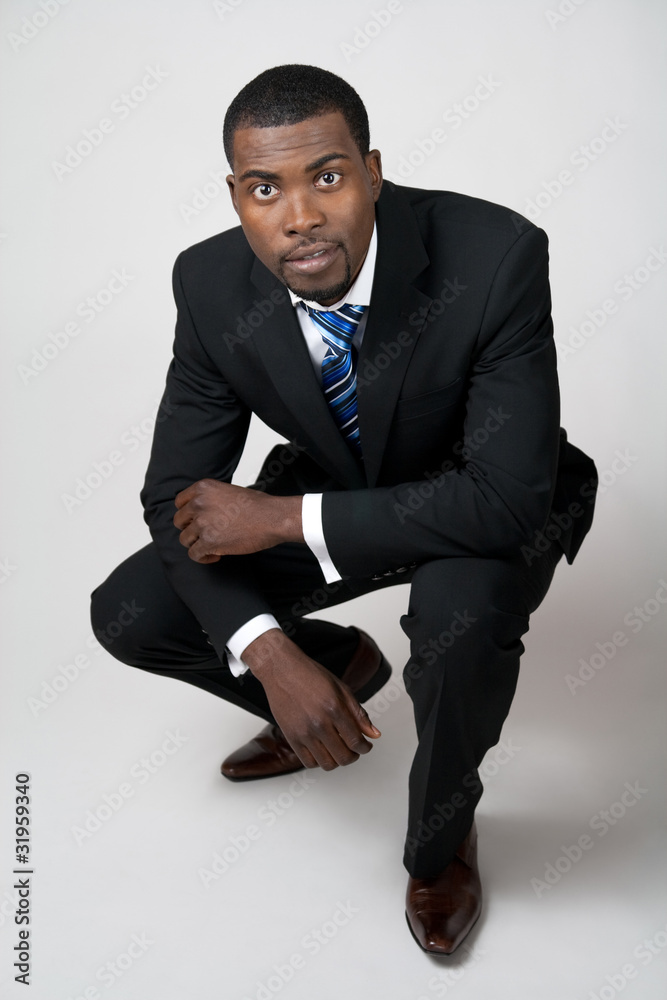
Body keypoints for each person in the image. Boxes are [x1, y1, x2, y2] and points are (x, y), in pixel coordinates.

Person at [90, 64, 597, 954]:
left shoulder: (494, 255)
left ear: (371, 171)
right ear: (235, 196)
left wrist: (280, 520)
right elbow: (175, 498)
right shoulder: (208, 284)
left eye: (326, 176)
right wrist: (272, 656)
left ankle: (440, 844)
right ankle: (340, 672)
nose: (299, 216)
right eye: (264, 189)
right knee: (132, 612)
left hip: (482, 502)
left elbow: (504, 498)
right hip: (343, 483)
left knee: (458, 624)